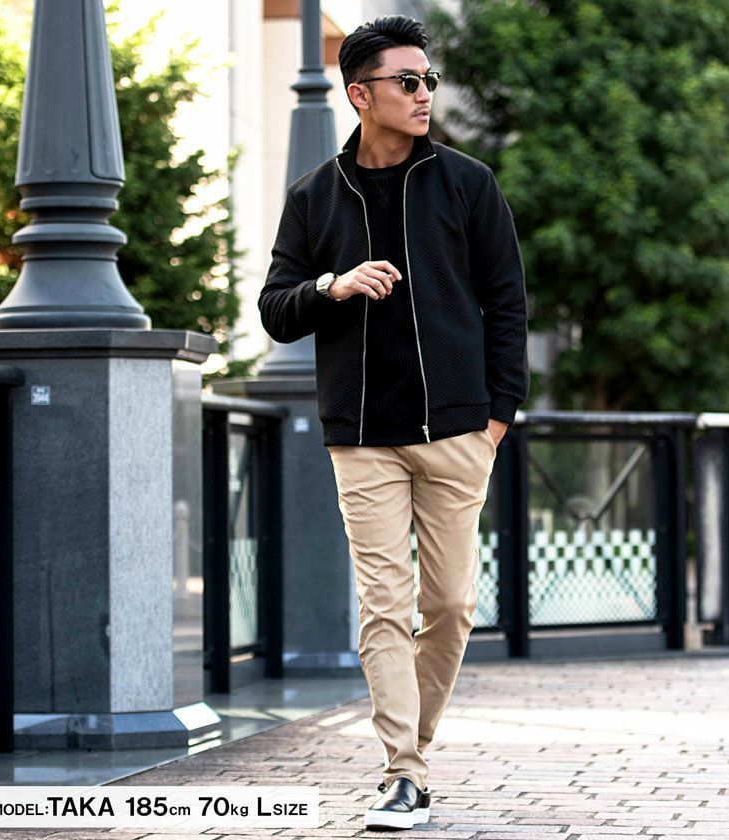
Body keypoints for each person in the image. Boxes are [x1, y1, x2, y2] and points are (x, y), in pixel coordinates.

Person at [258, 15, 528, 831]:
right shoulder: (313, 197)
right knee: (383, 606)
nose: (422, 94)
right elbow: (275, 309)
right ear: (360, 95)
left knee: (449, 606)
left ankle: (414, 750)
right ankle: (402, 773)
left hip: (457, 433)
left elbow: (507, 306)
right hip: (363, 437)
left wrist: (496, 420)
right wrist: (332, 287)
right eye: (406, 82)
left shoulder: (468, 184)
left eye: (427, 81)